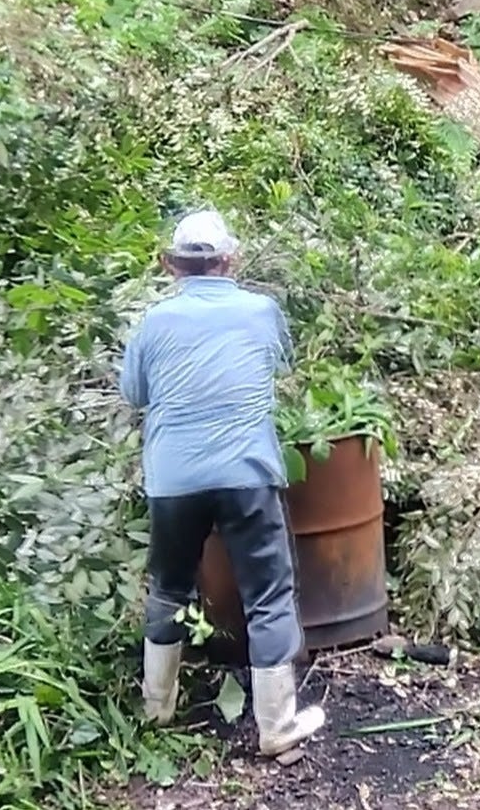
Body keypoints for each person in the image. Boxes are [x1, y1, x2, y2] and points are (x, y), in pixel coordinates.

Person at [119, 210, 325, 756]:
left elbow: (134, 394)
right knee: (268, 595)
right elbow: (282, 366)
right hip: (247, 473)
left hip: (173, 479)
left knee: (169, 588)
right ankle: (276, 727)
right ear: (230, 260)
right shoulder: (262, 310)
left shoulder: (153, 321)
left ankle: (156, 710)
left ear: (171, 265)